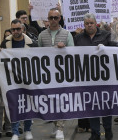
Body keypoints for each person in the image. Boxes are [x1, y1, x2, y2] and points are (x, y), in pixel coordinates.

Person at [73, 13, 117, 140]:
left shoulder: (105, 34)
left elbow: (115, 48)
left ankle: (108, 131)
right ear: (84, 24)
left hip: (105, 78)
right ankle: (95, 134)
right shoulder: (79, 38)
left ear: (95, 23)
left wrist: (106, 48)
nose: (89, 25)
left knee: (106, 106)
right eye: (87, 24)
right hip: (88, 78)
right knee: (92, 106)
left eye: (91, 23)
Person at [0, 19, 38, 140]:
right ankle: (15, 132)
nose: (15, 31)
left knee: (28, 104)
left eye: (18, 29)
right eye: (13, 29)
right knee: (14, 105)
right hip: (12, 80)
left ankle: (28, 130)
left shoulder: (32, 43)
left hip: (28, 80)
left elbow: (38, 60)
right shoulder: (5, 43)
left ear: (23, 29)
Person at [37, 8, 74, 140]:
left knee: (61, 100)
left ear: (60, 19)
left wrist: (64, 49)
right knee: (50, 101)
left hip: (62, 73)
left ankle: (60, 128)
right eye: (50, 18)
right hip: (47, 75)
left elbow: (73, 53)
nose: (53, 20)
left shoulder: (67, 34)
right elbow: (37, 54)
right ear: (48, 19)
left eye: (55, 18)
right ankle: (55, 124)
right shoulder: (42, 35)